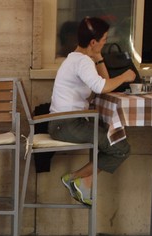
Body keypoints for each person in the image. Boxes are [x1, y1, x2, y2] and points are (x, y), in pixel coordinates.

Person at [50, 16, 136, 206]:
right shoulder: (82, 62)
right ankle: (73, 179)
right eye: (104, 39)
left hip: (64, 123)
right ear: (93, 42)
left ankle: (81, 182)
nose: (106, 42)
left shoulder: (77, 58)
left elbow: (105, 85)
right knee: (121, 148)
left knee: (117, 145)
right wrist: (124, 76)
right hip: (67, 124)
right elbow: (101, 87)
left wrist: (99, 58)